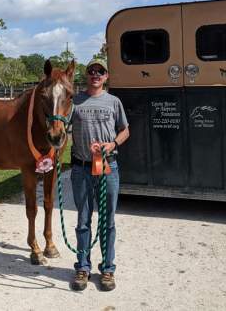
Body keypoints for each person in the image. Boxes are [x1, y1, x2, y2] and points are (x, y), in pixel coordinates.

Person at [70, 57, 129, 291]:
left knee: (108, 221)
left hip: (108, 167)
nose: (96, 74)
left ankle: (107, 269)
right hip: (80, 168)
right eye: (92, 71)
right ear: (87, 75)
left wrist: (113, 144)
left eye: (100, 71)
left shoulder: (114, 102)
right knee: (83, 220)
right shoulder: (74, 102)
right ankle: (83, 267)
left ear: (106, 76)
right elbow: (61, 128)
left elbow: (125, 130)